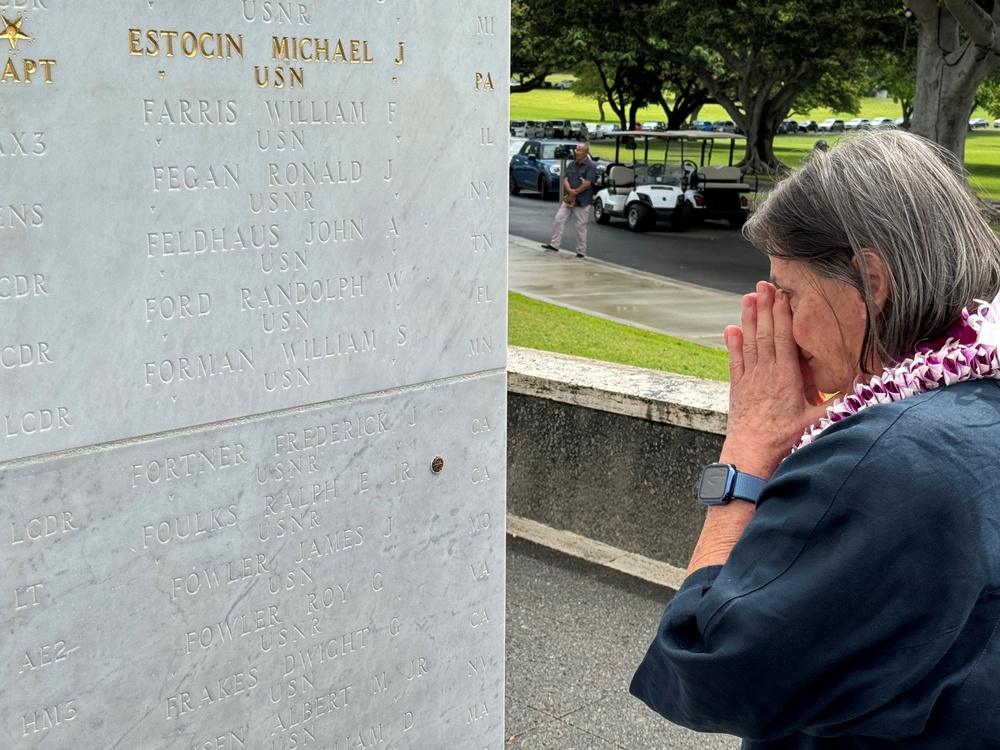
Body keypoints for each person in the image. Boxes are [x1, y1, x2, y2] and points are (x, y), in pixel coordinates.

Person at [630, 130, 1000, 748]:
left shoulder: (891, 459)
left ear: (871, 282)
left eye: (791, 292)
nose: (781, 320)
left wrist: (745, 460)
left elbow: (705, 664)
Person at [541, 142, 597, 258]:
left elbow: (587, 183)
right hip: (569, 199)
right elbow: (565, 179)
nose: (577, 152)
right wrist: (570, 191)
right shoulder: (572, 164)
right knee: (559, 219)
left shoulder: (590, 166)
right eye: (577, 150)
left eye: (580, 150)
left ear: (586, 153)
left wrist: (575, 192)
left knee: (580, 226)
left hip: (582, 200)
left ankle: (581, 252)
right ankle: (554, 245)